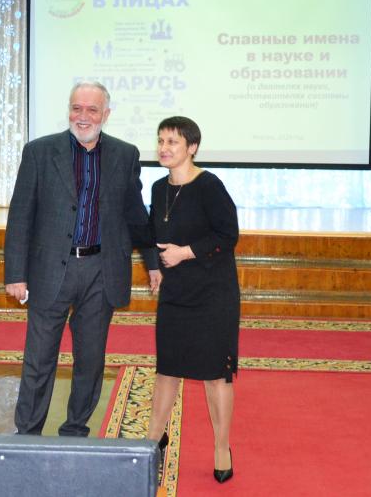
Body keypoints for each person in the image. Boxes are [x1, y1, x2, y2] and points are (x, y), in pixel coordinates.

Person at [4, 81, 161, 437]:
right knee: (39, 358)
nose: (83, 116)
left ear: (106, 114)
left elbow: (136, 214)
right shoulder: (39, 152)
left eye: (92, 109)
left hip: (101, 271)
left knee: (90, 360)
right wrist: (15, 273)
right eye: (77, 108)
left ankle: (75, 431)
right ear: (69, 110)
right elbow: (21, 215)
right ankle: (27, 434)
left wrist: (153, 262)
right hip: (49, 270)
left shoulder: (125, 154)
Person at [140, 116, 240, 483]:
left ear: (192, 147)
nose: (164, 148)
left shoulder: (209, 186)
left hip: (213, 293)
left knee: (215, 374)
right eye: (161, 140)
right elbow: (152, 234)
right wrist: (154, 267)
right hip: (175, 293)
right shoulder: (157, 188)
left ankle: (221, 447)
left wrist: (185, 252)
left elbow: (228, 234)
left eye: (173, 142)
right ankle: (153, 440)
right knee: (167, 369)